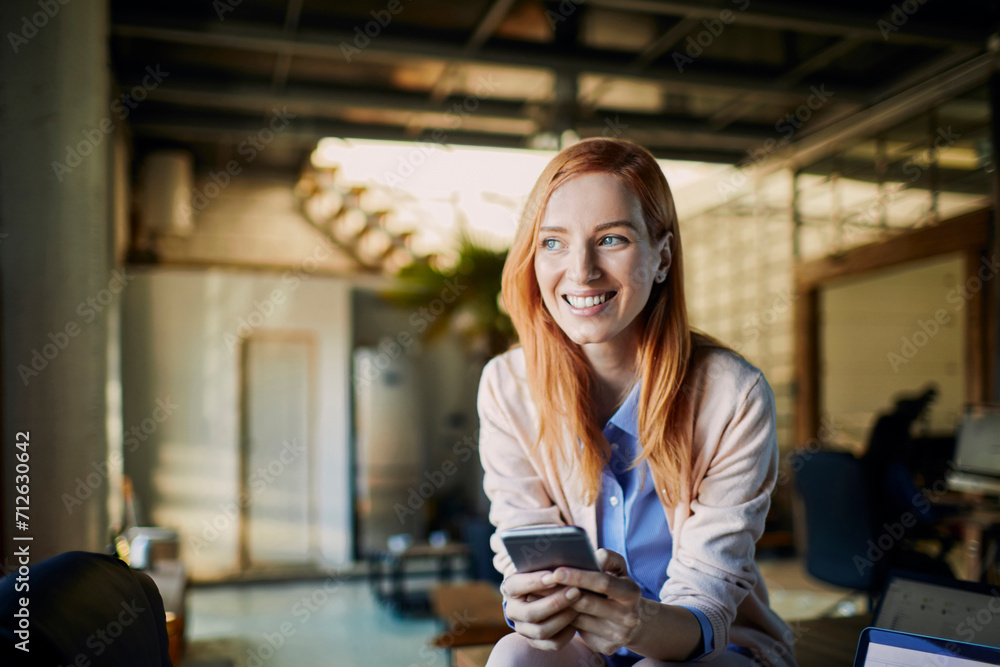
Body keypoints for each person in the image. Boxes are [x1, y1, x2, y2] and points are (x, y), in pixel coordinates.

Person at [478, 138, 796, 666]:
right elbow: (522, 546)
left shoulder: (733, 394)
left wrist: (636, 621)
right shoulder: (507, 385)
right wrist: (531, 603)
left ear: (662, 255)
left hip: (711, 647)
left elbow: (707, 606)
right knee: (516, 656)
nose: (581, 271)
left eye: (612, 239)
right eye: (553, 243)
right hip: (583, 644)